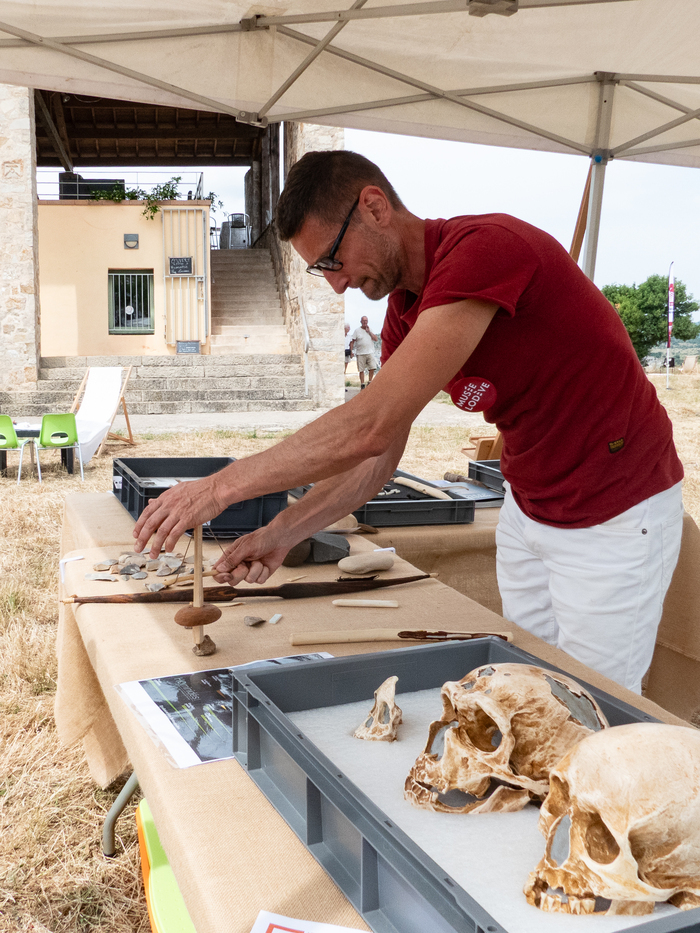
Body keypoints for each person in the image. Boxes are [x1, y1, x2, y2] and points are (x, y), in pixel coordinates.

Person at [134, 149, 684, 694]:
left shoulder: (486, 248)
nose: (336, 284)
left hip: (616, 510)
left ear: (374, 207)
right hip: (531, 503)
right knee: (528, 690)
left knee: (597, 707)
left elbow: (367, 425)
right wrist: (282, 533)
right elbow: (377, 458)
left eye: (332, 259)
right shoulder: (403, 313)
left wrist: (220, 488)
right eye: (320, 270)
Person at [350, 315, 379, 387]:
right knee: (361, 369)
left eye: (366, 321)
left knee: (372, 367)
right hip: (360, 353)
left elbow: (376, 339)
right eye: (363, 321)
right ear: (361, 322)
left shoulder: (370, 329)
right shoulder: (357, 331)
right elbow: (352, 341)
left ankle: (370, 382)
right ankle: (362, 384)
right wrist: (351, 351)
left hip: (370, 352)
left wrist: (369, 332)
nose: (365, 322)